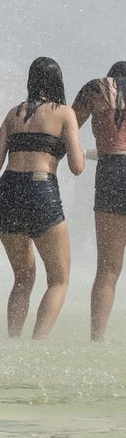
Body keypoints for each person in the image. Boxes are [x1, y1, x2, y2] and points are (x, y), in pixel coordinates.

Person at [0, 57, 85, 339]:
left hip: (7, 193)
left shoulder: (13, 114)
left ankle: (13, 342)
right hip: (41, 191)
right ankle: (36, 346)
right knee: (58, 280)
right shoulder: (64, 113)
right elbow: (77, 167)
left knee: (23, 279)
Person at [74, 60, 126, 340]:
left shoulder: (96, 90)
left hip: (111, 173)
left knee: (107, 268)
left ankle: (97, 340)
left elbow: (68, 127)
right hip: (112, 164)